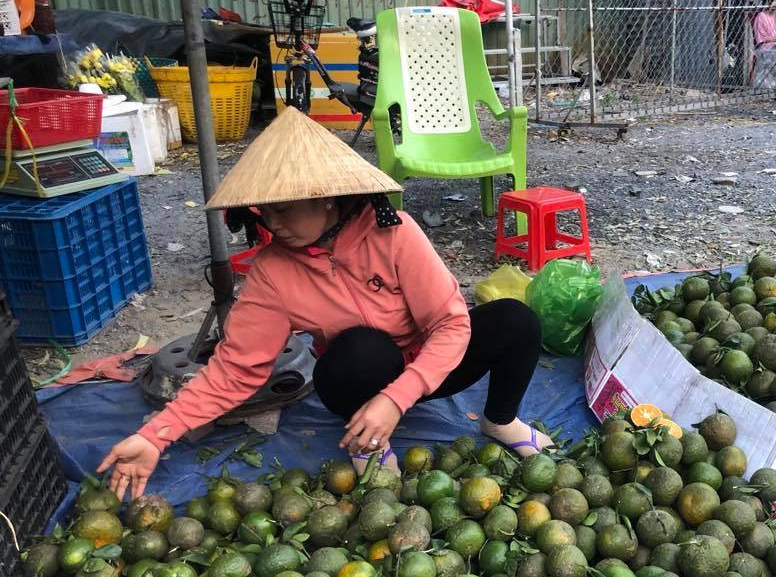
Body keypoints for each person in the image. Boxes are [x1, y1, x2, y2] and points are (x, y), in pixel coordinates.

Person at [98, 108, 551, 500]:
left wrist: (398, 399)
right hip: (359, 382)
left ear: (327, 196)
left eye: (285, 208)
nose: (273, 222)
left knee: (516, 320)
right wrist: (156, 436)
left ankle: (500, 421)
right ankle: (366, 441)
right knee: (361, 348)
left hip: (430, 371)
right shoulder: (273, 270)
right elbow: (236, 368)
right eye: (264, 211)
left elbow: (451, 326)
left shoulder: (395, 232)